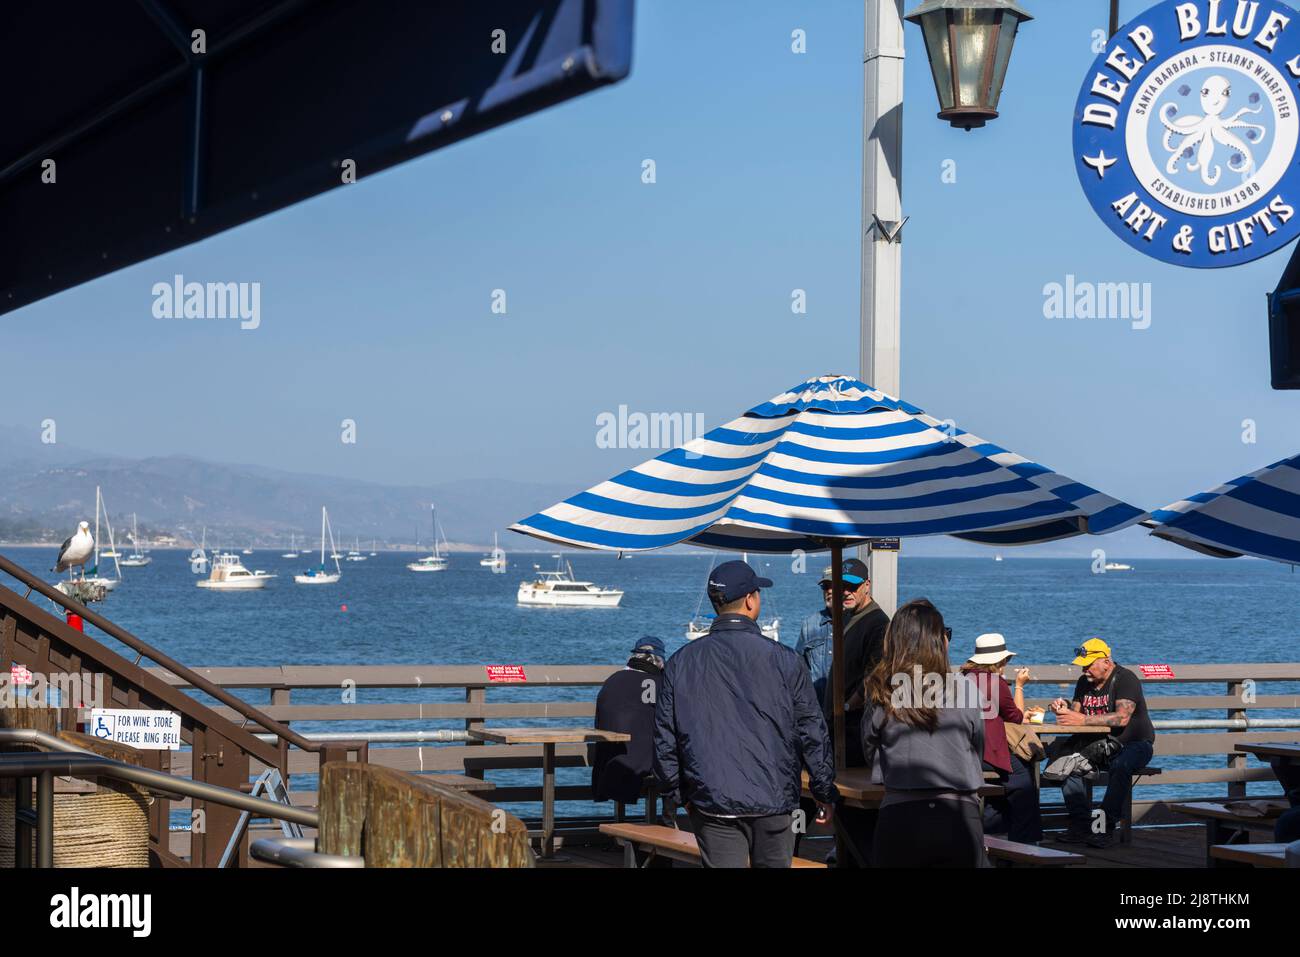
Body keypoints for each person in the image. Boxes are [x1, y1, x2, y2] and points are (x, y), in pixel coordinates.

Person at [653, 560, 838, 867]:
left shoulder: (680, 662)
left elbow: (665, 738)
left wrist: (676, 794)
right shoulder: (786, 660)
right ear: (751, 600)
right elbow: (811, 729)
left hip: (711, 799)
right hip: (774, 799)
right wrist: (822, 789)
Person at [862, 598, 987, 868]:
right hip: (959, 816)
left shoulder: (882, 692)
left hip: (900, 814)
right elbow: (977, 748)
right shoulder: (966, 689)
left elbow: (869, 748)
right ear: (938, 642)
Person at [1048, 637, 1156, 848]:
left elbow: (1122, 718)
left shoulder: (1126, 679)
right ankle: (1081, 825)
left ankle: (1105, 828)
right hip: (1097, 745)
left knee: (1121, 765)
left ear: (1106, 661)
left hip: (1134, 744)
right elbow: (1076, 714)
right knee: (1065, 762)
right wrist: (1064, 707)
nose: (1084, 671)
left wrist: (1081, 720)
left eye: (1088, 666)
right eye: (1082, 666)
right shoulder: (1083, 683)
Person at [960, 633, 1042, 845]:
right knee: (1024, 782)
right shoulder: (996, 683)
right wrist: (1020, 686)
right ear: (998, 661)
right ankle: (1025, 844)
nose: (1007, 663)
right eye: (1006, 660)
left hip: (965, 750)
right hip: (988, 751)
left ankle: (991, 835)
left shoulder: (962, 680)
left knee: (999, 788)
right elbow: (1015, 717)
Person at [821, 557, 890, 767]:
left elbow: (874, 677)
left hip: (854, 729)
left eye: (853, 586)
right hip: (837, 726)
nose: (846, 591)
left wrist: (847, 706)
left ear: (867, 585)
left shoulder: (878, 624)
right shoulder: (848, 616)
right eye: (841, 586)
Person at [591, 637, 667, 812]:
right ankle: (669, 826)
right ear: (659, 661)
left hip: (608, 764)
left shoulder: (613, 680)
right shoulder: (661, 683)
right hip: (646, 763)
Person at [794, 567, 835, 707]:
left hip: (851, 715)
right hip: (818, 713)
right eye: (825, 587)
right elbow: (798, 669)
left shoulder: (856, 623)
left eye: (834, 585)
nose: (829, 591)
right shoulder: (809, 625)